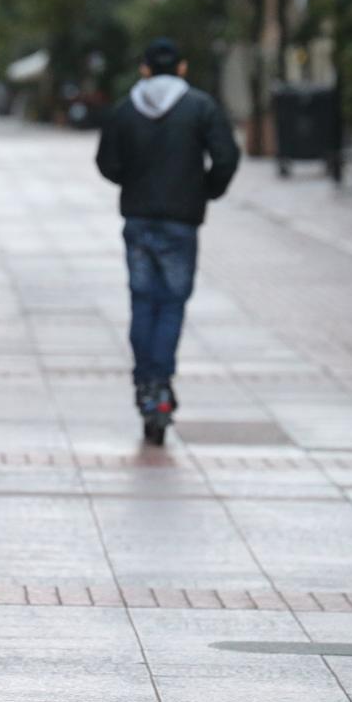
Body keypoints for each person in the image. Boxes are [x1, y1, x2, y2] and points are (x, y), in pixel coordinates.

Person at [96, 38, 240, 444]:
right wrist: (204, 190)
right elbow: (226, 157)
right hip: (181, 221)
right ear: (182, 68)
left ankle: (146, 385)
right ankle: (160, 385)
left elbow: (107, 163)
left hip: (139, 219)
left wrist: (134, 183)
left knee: (143, 302)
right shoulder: (201, 107)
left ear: (144, 69)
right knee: (171, 303)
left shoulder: (126, 109)